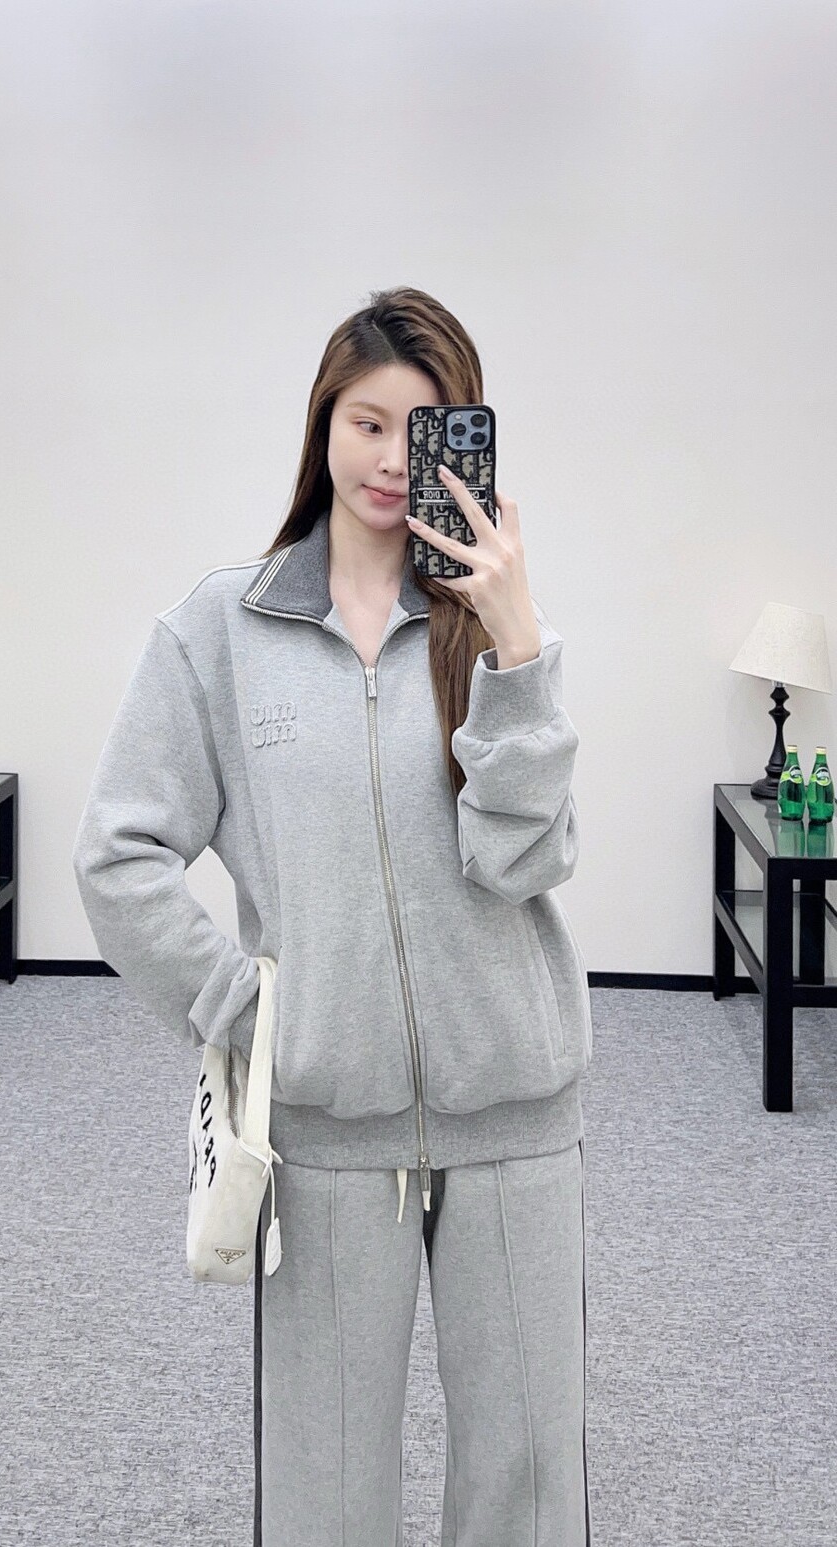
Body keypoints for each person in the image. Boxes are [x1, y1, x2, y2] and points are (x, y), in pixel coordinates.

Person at [72, 286, 594, 1546]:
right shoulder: (222, 629)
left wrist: (518, 654)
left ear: (462, 440)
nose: (390, 459)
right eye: (367, 423)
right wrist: (247, 1009)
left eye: (423, 428)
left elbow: (526, 860)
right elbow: (117, 853)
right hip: (323, 1131)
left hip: (515, 1112)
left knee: (528, 1471)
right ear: (323, 427)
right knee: (327, 1483)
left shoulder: (492, 629)